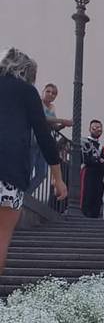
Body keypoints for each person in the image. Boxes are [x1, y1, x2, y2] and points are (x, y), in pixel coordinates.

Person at [0, 48, 67, 275]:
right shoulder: (28, 92)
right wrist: (58, 179)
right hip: (10, 173)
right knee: (1, 239)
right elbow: (43, 135)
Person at [26, 83, 72, 194]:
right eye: (48, 91)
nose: (51, 94)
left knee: (42, 173)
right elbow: (42, 118)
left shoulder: (52, 108)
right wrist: (62, 120)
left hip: (44, 143)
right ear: (43, 92)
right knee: (28, 168)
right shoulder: (37, 103)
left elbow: (54, 127)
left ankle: (26, 193)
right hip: (33, 140)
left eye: (54, 93)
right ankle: (21, 193)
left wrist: (65, 124)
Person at [80, 119, 104, 218]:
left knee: (97, 200)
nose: (97, 129)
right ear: (89, 129)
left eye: (99, 127)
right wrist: (99, 161)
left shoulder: (102, 146)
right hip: (88, 174)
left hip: (99, 176)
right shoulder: (84, 142)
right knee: (87, 198)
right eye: (94, 127)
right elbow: (86, 160)